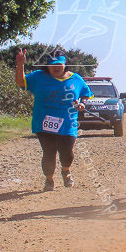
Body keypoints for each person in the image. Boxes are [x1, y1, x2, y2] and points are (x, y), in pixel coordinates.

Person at [14, 48, 92, 191]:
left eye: (59, 64)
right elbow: (20, 82)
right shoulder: (38, 77)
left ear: (65, 64)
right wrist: (20, 65)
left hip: (68, 123)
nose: (56, 67)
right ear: (47, 65)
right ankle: (49, 179)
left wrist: (82, 103)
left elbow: (86, 93)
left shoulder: (76, 79)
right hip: (44, 123)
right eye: (52, 64)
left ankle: (66, 170)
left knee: (67, 152)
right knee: (49, 152)